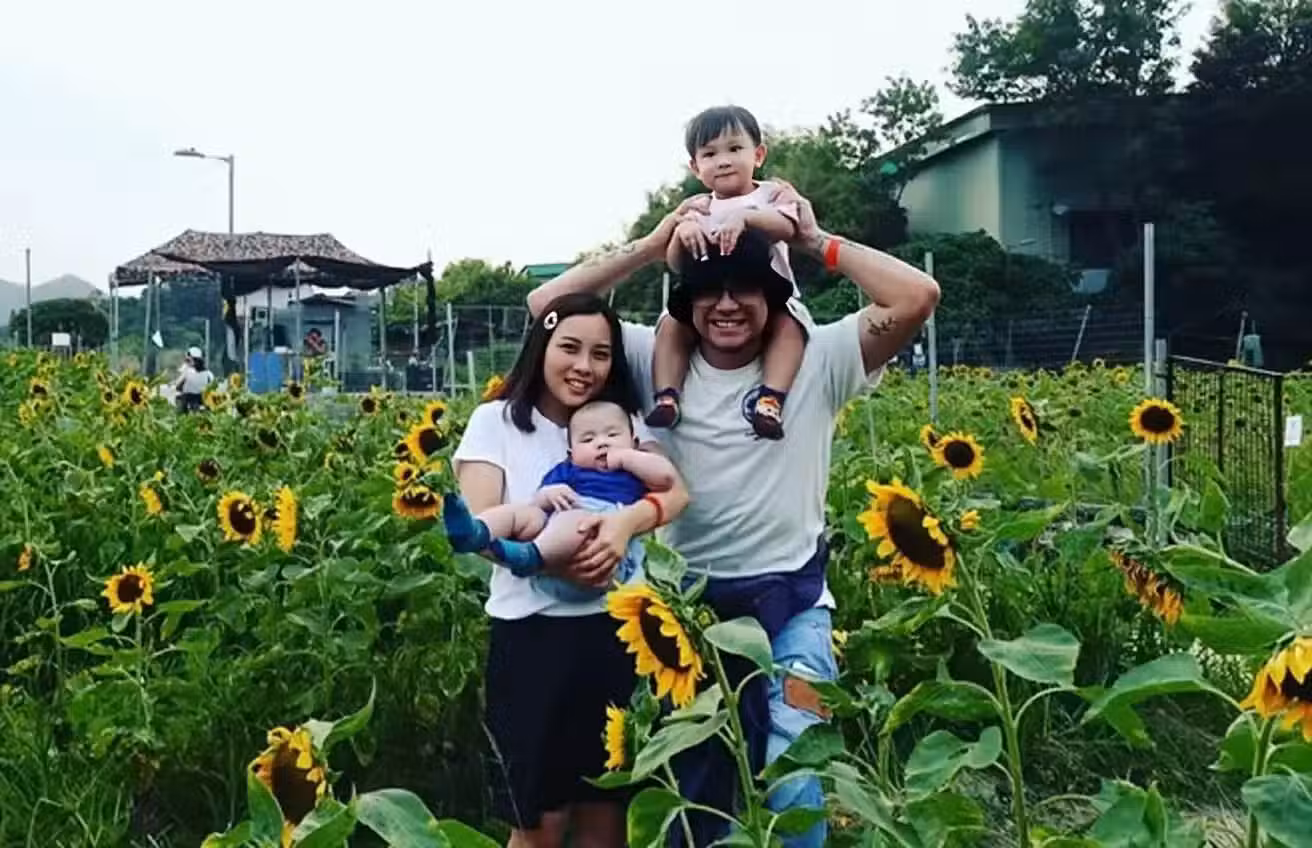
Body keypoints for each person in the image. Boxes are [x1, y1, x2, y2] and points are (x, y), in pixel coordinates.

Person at [527, 182, 939, 847]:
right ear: (686, 302)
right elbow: (547, 309)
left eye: (743, 287)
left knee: (795, 769)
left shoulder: (818, 359)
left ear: (771, 296)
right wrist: (654, 245)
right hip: (687, 614)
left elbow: (916, 295)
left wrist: (811, 240)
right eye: (707, 290)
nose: (724, 304)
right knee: (697, 790)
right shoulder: (652, 360)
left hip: (794, 608)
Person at [451, 292, 690, 848]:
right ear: (542, 346)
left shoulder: (622, 423)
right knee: (539, 822)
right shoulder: (497, 422)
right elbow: (483, 526)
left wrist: (624, 525)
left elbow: (676, 493)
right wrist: (554, 559)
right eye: (570, 348)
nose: (584, 366)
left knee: (608, 815)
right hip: (532, 640)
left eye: (601, 354)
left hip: (618, 635)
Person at [648, 105, 806, 441]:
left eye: (734, 149)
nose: (723, 161)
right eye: (710, 154)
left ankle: (771, 398)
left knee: (789, 328)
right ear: (695, 167)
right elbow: (675, 263)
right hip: (707, 296)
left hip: (770, 295)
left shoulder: (771, 194)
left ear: (758, 155)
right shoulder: (697, 207)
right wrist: (682, 233)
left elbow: (789, 228)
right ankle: (667, 395)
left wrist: (746, 218)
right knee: (671, 325)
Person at [443, 399, 681, 603]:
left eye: (612, 435)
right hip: (553, 555)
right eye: (588, 439)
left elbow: (667, 478)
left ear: (635, 442)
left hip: (604, 560)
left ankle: (530, 556)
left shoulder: (635, 469)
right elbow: (538, 502)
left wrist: (627, 457)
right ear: (571, 454)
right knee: (522, 513)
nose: (602, 443)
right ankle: (477, 532)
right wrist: (548, 494)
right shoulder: (568, 470)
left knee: (577, 519)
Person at [175, 347, 214, 413]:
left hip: (189, 399)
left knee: (179, 398)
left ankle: (181, 414)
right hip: (203, 400)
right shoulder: (208, 373)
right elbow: (212, 387)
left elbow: (178, 386)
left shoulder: (187, 371)